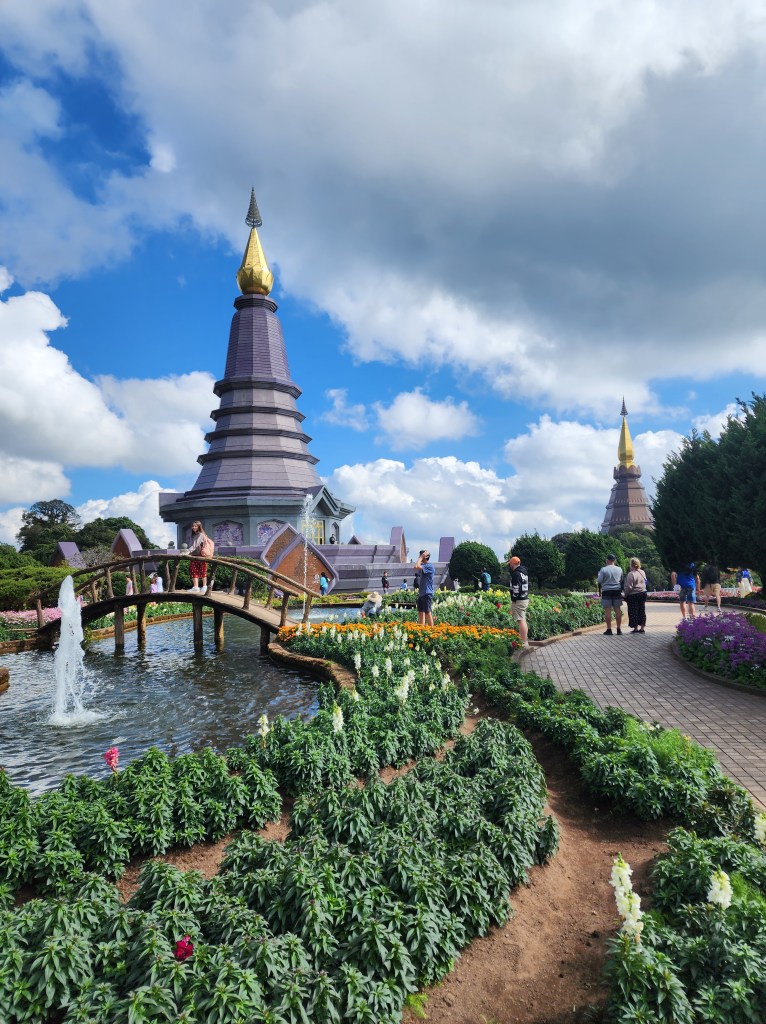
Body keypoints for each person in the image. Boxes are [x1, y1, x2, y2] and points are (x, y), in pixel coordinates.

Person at [597, 554, 624, 635]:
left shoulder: (603, 569)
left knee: (607, 610)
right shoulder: (619, 569)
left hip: (606, 591)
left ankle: (609, 629)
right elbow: (621, 580)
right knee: (617, 610)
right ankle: (618, 629)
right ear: (614, 560)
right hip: (617, 590)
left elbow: (599, 581)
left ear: (607, 560)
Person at [508, 555, 529, 647]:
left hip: (519, 600)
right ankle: (524, 640)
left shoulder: (516, 574)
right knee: (522, 620)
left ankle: (524, 642)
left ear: (513, 564)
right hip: (524, 598)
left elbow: (516, 588)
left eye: (510, 564)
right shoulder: (524, 572)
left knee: (521, 620)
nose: (510, 566)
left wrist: (514, 599)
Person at [624, 558, 647, 633]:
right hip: (643, 593)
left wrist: (625, 595)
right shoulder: (642, 572)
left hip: (634, 594)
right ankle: (642, 627)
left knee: (633, 611)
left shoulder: (631, 574)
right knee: (642, 610)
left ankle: (636, 628)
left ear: (631, 565)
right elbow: (645, 582)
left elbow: (629, 587)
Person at [187, 520, 212, 593]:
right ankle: (197, 587)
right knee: (194, 570)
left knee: (202, 570)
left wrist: (188, 551)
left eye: (196, 526)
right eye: (193, 526)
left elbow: (196, 544)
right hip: (194, 555)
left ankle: (203, 586)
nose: (194, 527)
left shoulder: (201, 534)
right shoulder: (194, 535)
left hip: (200, 555)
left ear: (199, 527)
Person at [414, 549, 435, 626]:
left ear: (425, 557)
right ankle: (421, 630)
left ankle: (432, 630)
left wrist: (421, 557)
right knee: (421, 612)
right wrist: (421, 557)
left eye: (420, 556)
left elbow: (416, 566)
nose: (419, 557)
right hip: (422, 593)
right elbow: (416, 566)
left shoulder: (429, 566)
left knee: (427, 612)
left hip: (427, 593)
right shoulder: (424, 566)